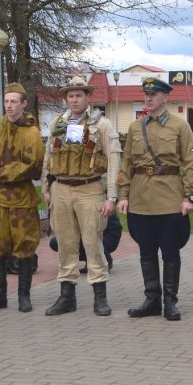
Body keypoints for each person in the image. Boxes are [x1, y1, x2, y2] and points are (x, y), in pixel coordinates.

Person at [117, 76, 193, 321]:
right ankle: (152, 299)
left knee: (170, 251)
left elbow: (192, 162)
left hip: (169, 198)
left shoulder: (179, 125)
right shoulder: (136, 127)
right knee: (146, 251)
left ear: (165, 97)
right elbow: (127, 164)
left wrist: (190, 196)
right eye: (146, 94)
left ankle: (170, 302)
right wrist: (123, 194)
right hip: (141, 199)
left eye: (153, 95)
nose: (148, 98)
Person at [41, 76, 121, 317]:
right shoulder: (58, 122)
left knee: (92, 243)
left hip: (90, 189)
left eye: (78, 95)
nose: (74, 99)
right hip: (61, 189)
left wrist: (112, 197)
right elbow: (48, 156)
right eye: (70, 96)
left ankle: (100, 298)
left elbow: (115, 160)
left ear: (87, 97)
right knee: (65, 243)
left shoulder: (102, 124)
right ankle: (67, 297)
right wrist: (46, 188)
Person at [0, 82, 45, 313]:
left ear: (24, 104)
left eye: (14, 101)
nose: (9, 106)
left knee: (24, 245)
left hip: (21, 200)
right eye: (6, 101)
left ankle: (24, 296)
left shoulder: (31, 133)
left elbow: (32, 166)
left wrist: (1, 173)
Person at [48, 214, 121, 272]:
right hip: (89, 234)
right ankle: (89, 260)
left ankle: (104, 259)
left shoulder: (93, 200)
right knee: (56, 242)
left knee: (86, 239)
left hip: (107, 235)